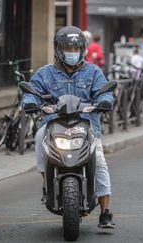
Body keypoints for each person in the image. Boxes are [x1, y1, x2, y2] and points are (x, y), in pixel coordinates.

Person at [22, 26, 116, 229]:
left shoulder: (93, 72)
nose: (72, 52)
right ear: (58, 49)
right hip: (53, 124)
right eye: (67, 48)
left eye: (75, 49)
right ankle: (47, 183)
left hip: (86, 124)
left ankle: (105, 211)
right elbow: (31, 92)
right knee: (39, 138)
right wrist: (30, 102)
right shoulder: (45, 73)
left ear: (83, 49)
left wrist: (105, 100)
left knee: (98, 159)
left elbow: (104, 92)